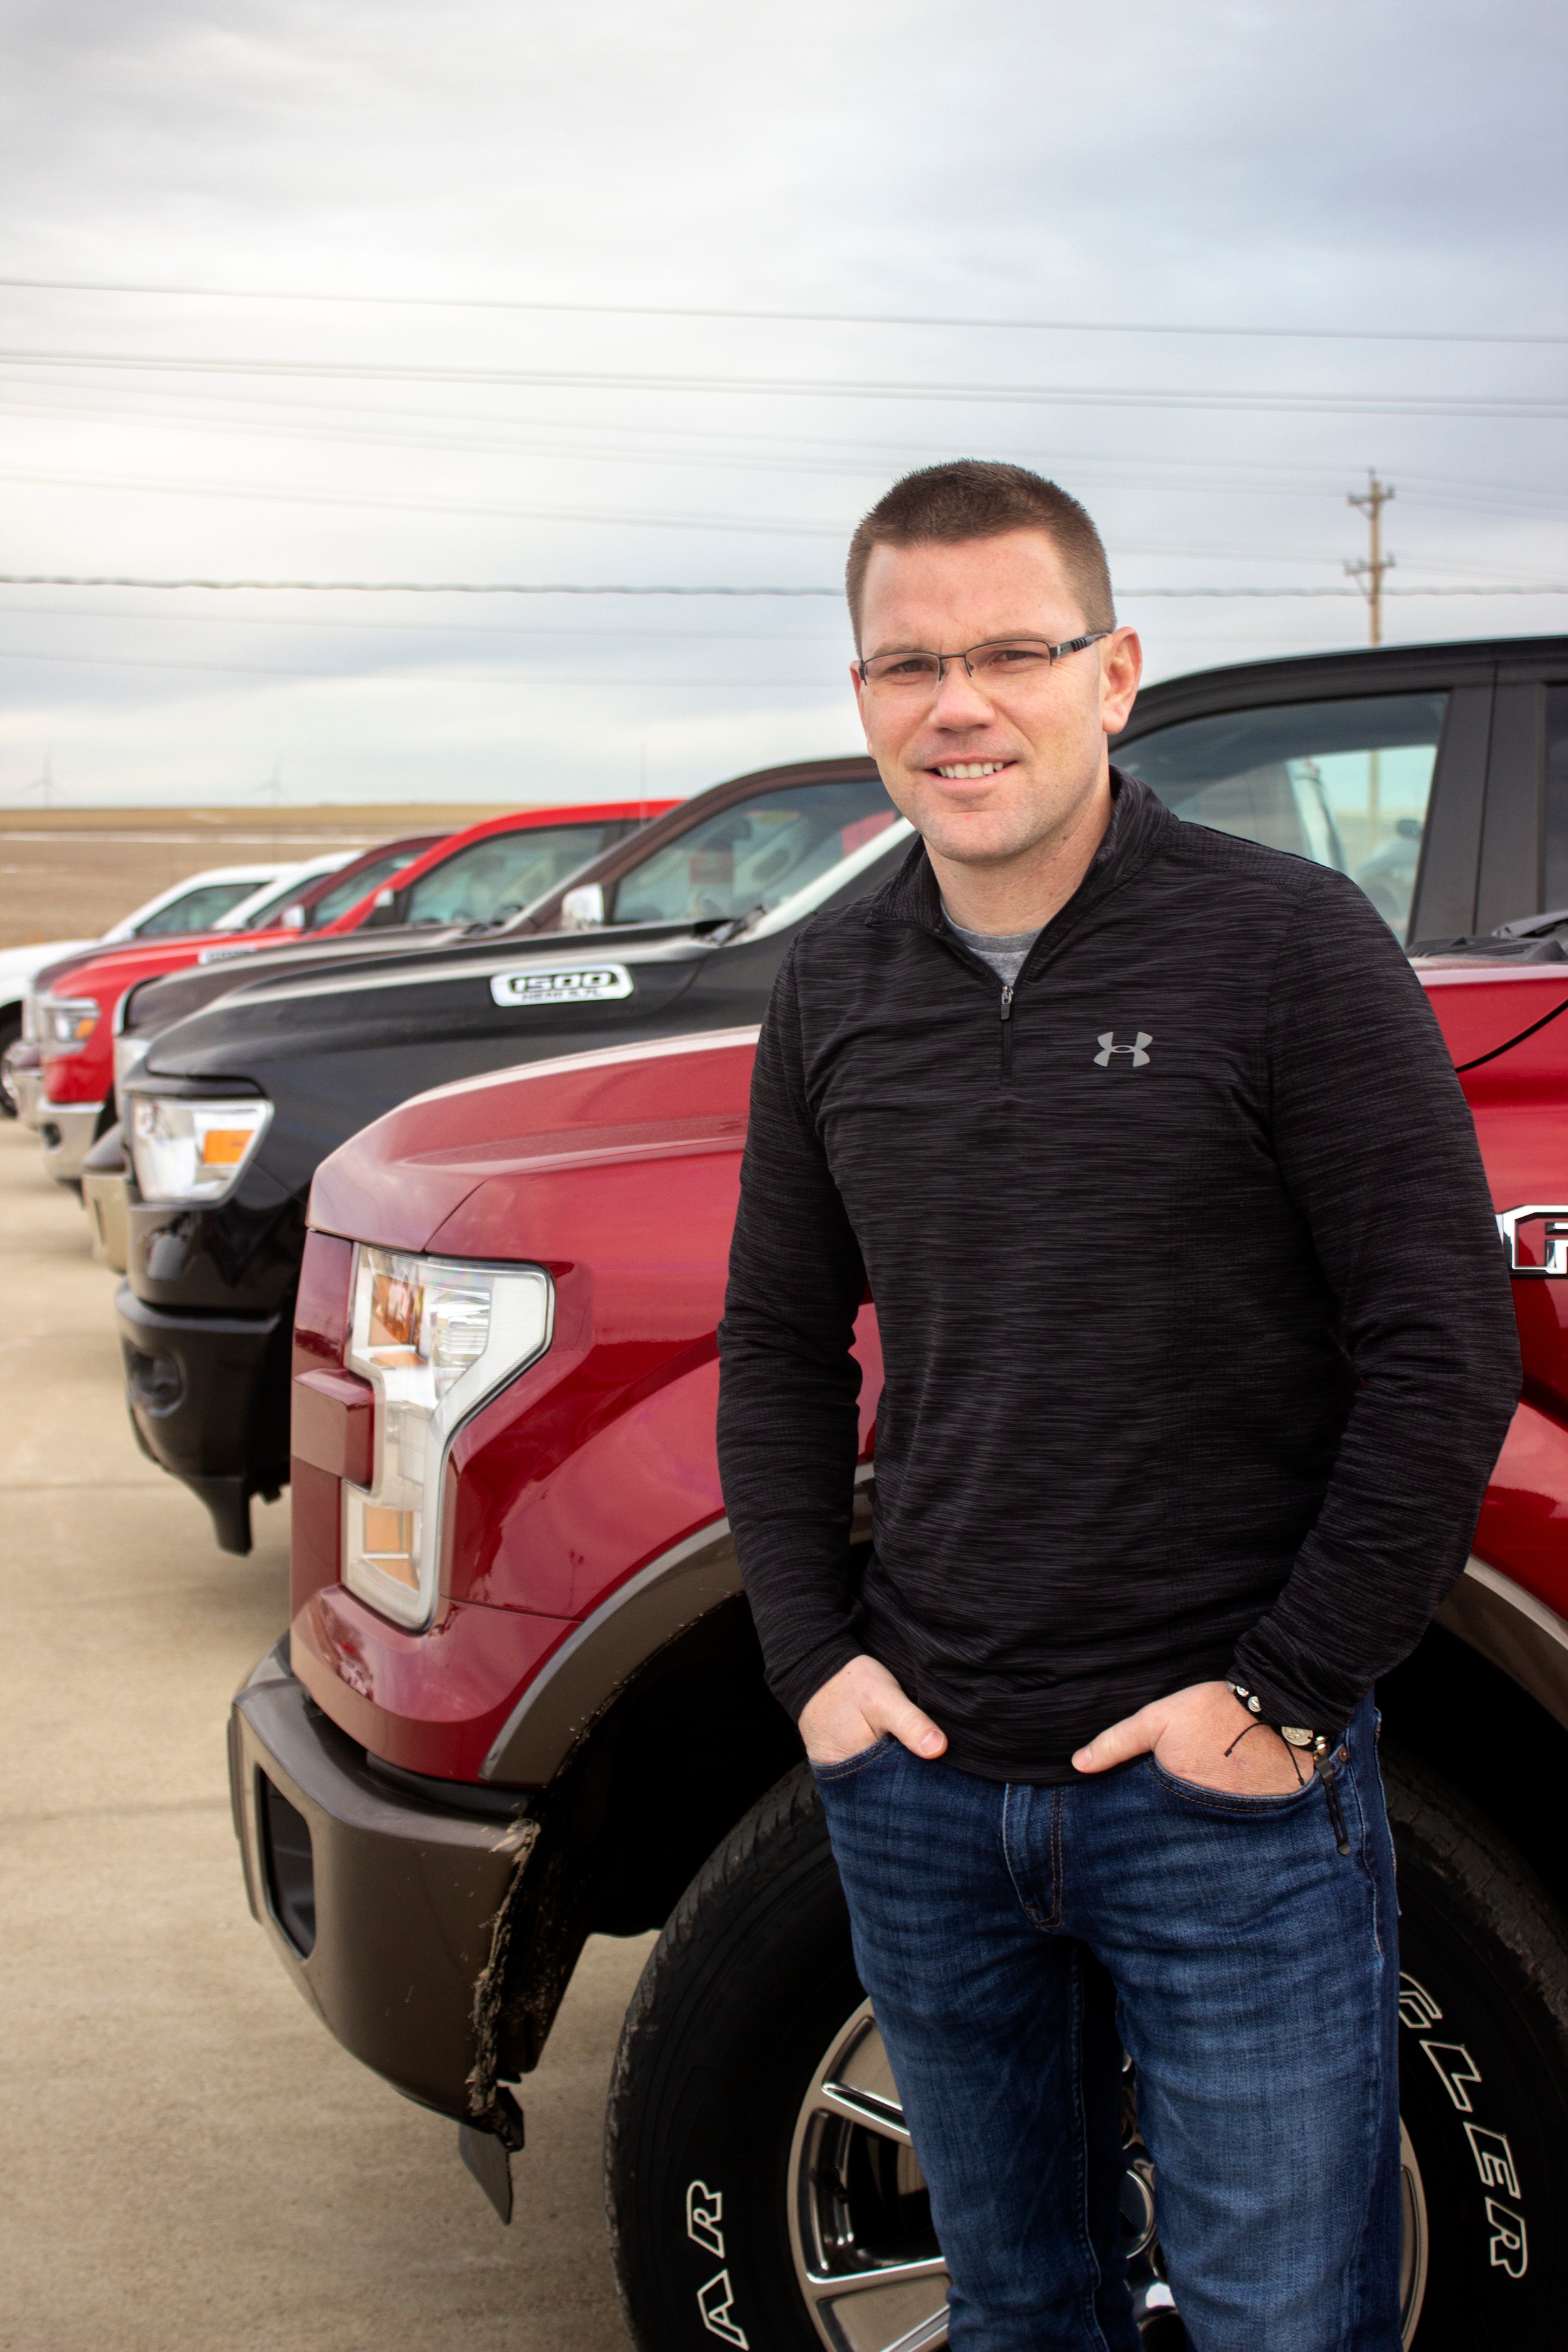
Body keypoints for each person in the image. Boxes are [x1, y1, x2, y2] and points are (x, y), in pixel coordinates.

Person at [715, 460, 1521, 2351]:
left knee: (1276, 2323)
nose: (958, 704)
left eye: (1012, 650)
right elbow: (771, 1341)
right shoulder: (828, 981)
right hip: (921, 1787)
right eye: (908, 664)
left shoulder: (1284, 947)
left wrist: (1284, 1695)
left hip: (1217, 1804)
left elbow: (1440, 1342)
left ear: (1116, 671)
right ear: (861, 699)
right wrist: (812, 1666)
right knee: (1014, 2310)